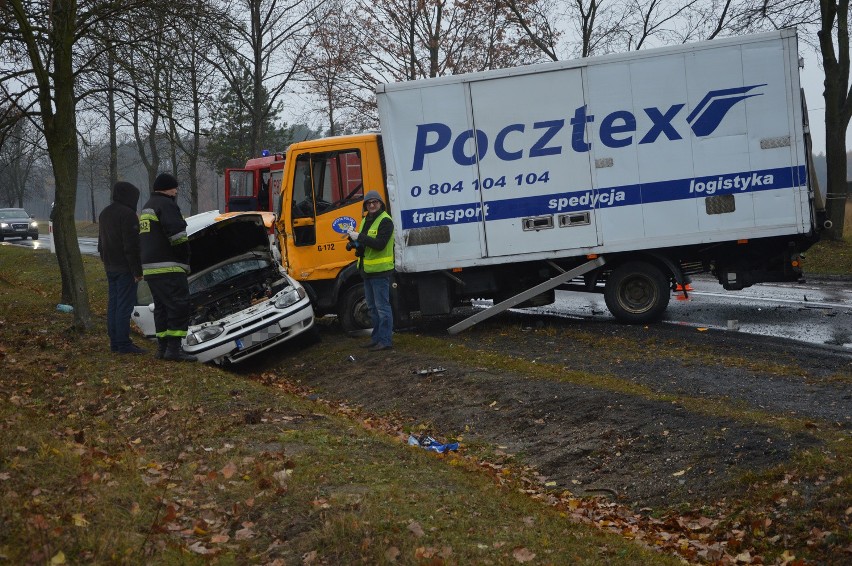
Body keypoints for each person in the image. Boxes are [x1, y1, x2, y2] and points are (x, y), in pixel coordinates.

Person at [139, 173, 196, 362]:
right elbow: (178, 236)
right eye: (174, 188)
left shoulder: (148, 206)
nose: (176, 191)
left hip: (151, 269)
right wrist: (185, 259)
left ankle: (162, 348)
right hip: (169, 267)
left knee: (162, 308)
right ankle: (174, 349)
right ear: (166, 188)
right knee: (178, 306)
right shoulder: (167, 205)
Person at [98, 182, 145, 354]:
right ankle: (123, 343)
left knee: (114, 305)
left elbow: (100, 244)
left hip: (110, 266)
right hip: (125, 268)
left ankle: (115, 342)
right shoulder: (128, 215)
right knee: (125, 306)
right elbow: (131, 246)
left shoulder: (104, 214)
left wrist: (106, 261)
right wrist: (137, 271)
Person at [347, 190, 394, 351]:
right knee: (372, 308)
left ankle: (386, 341)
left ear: (381, 203)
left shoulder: (385, 221)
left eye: (375, 202)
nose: (372, 205)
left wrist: (358, 237)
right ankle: (376, 339)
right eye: (369, 203)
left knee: (382, 308)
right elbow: (365, 244)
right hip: (367, 270)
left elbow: (380, 244)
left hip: (380, 271)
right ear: (366, 205)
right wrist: (354, 244)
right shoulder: (366, 219)